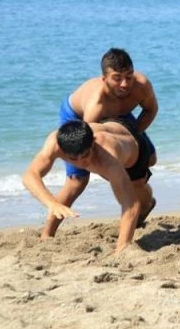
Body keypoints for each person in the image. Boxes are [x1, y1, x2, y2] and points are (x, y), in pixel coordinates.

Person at [45, 48, 158, 240]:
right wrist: (115, 171)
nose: (125, 84)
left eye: (129, 77)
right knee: (77, 181)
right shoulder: (96, 104)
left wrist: (134, 136)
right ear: (104, 79)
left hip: (120, 116)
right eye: (117, 78)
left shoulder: (141, 86)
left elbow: (151, 109)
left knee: (149, 159)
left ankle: (143, 204)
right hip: (80, 120)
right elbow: (93, 145)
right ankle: (47, 234)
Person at [23, 118, 154, 256]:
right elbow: (29, 176)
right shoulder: (55, 143)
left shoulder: (109, 160)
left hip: (134, 155)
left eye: (86, 155)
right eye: (73, 159)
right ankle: (46, 236)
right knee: (73, 185)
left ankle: (149, 203)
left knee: (140, 199)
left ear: (93, 143)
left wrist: (121, 248)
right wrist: (52, 203)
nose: (81, 163)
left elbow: (131, 205)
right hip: (109, 124)